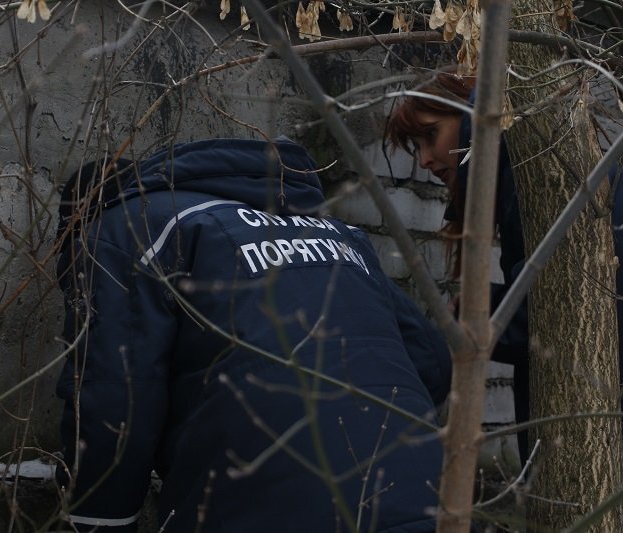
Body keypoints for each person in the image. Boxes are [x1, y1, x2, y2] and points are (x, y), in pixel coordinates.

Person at [54, 137, 452, 532]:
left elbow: (111, 407)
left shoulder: (125, 229)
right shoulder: (342, 236)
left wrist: (93, 523)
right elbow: (432, 360)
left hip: (265, 509)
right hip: (426, 499)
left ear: (79, 224)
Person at [386, 69, 623, 532]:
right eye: (417, 147)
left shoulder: (529, 164)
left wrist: (476, 316)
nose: (425, 160)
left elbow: (554, 312)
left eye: (431, 135)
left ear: (468, 116)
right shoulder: (528, 153)